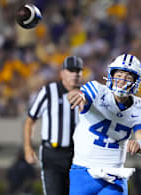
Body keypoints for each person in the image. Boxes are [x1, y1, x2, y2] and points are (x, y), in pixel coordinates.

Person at [67, 53, 141, 195]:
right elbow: (80, 95)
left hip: (114, 174)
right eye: (119, 75)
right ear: (111, 75)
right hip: (83, 171)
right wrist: (77, 96)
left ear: (136, 81)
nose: (122, 80)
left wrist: (140, 145)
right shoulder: (97, 90)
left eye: (128, 77)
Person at [23, 56, 83, 195]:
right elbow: (30, 120)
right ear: (62, 73)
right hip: (53, 154)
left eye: (78, 71)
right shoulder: (49, 91)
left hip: (77, 156)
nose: (75, 74)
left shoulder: (86, 93)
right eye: (71, 70)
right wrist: (27, 147)